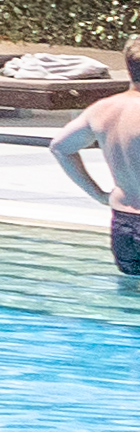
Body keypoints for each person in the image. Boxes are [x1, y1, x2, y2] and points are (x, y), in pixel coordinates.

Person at [58, 78, 140, 282]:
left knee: (130, 291)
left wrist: (99, 195)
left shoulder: (102, 108)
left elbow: (60, 147)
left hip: (124, 225)